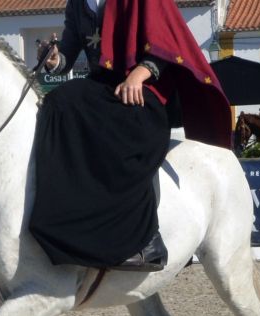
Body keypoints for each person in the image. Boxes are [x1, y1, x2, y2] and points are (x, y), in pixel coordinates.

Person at [31, 0, 231, 272]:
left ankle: (149, 240)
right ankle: (69, 222)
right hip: (103, 87)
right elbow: (66, 55)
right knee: (59, 100)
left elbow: (168, 44)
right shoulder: (76, 3)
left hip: (145, 90)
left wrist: (137, 75)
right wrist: (54, 59)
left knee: (119, 129)